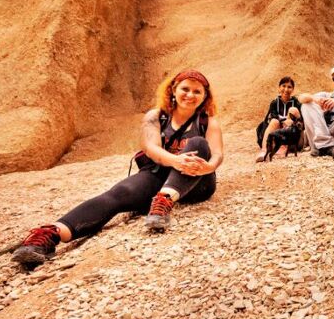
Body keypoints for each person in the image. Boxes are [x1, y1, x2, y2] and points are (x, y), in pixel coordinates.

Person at [12, 69, 224, 268]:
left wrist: (209, 167)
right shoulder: (155, 116)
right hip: (158, 174)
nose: (190, 95)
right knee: (119, 193)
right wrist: (176, 161)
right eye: (185, 89)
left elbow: (216, 153)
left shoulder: (207, 121)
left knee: (197, 143)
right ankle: (51, 235)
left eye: (197, 91)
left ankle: (165, 200)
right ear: (174, 89)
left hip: (197, 183)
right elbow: (151, 148)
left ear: (205, 96)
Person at [255, 76, 302, 162]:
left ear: (293, 89)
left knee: (293, 110)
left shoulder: (296, 102)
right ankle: (264, 151)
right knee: (274, 121)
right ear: (279, 88)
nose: (286, 89)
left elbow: (301, 119)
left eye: (289, 87)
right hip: (277, 135)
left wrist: (290, 121)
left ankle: (285, 147)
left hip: (291, 137)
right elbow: (272, 117)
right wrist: (283, 121)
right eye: (283, 86)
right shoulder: (274, 103)